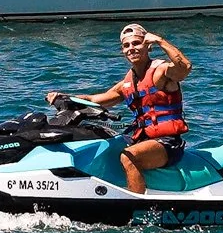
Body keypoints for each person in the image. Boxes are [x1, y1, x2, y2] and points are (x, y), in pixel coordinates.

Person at [49, 24, 191, 194]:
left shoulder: (161, 72)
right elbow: (95, 100)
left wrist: (160, 41)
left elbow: (185, 68)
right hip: (143, 139)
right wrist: (64, 97)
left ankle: (136, 205)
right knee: (103, 145)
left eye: (136, 43)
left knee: (128, 156)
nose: (131, 48)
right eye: (126, 45)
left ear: (148, 46)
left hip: (168, 143)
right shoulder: (128, 83)